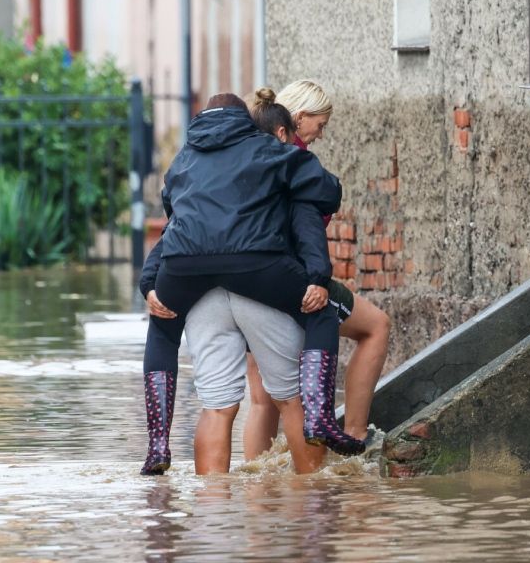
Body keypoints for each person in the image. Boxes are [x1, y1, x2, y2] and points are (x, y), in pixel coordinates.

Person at [139, 92, 364, 476]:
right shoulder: (270, 151)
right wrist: (316, 277)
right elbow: (328, 192)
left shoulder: (183, 162)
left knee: (199, 382)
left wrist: (148, 286)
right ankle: (317, 451)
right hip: (256, 267)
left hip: (188, 276)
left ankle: (161, 446)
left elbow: (174, 219)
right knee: (300, 377)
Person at [243, 81, 392, 458]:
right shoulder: (296, 159)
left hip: (244, 283)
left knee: (262, 399)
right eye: (320, 125)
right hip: (294, 279)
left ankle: (255, 486)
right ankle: (355, 435)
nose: (321, 133)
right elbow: (314, 218)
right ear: (297, 118)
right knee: (376, 326)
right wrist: (316, 279)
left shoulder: (246, 154)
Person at [184, 288, 325, 475]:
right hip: (259, 281)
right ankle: (313, 489)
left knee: (219, 407)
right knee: (291, 399)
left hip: (203, 287)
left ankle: (227, 497)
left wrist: (149, 287)